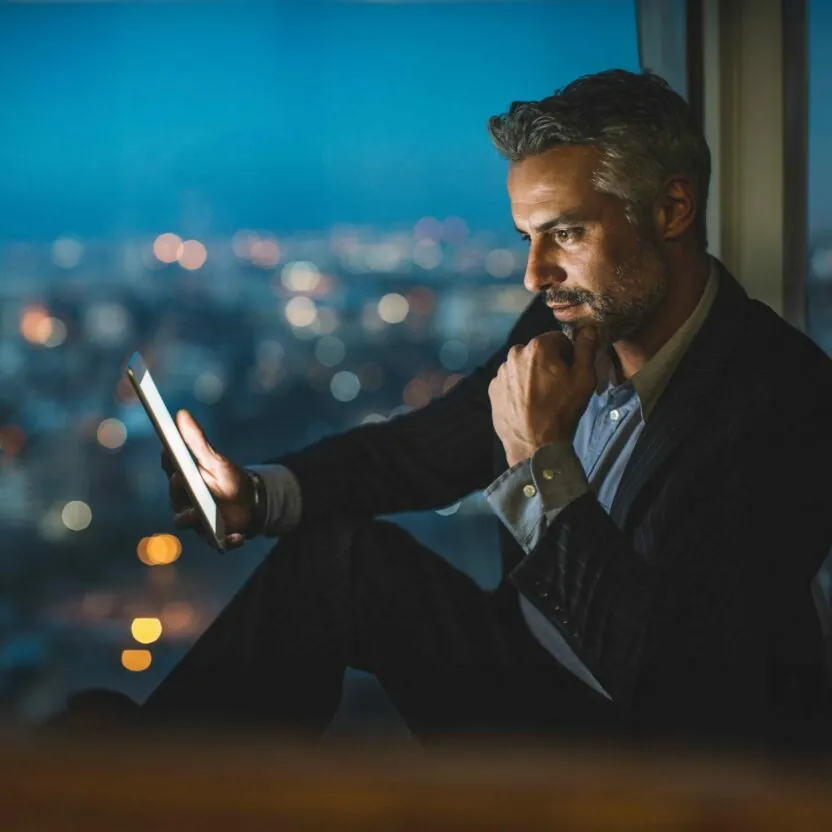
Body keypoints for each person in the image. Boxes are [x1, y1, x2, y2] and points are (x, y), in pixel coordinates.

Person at [61, 69, 832, 748]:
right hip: (526, 652)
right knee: (341, 556)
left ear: (671, 209)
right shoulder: (564, 326)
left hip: (628, 748)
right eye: (528, 236)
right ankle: (160, 776)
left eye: (566, 232)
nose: (535, 273)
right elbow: (424, 452)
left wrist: (542, 465)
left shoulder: (788, 403)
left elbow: (678, 689)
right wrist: (257, 495)